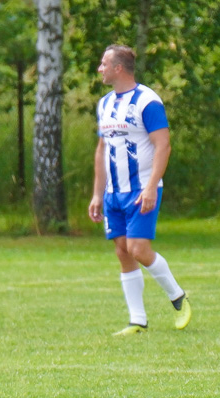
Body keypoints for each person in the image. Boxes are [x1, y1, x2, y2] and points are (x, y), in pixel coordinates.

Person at [89, 44, 191, 336]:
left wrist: (150, 187)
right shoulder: (105, 104)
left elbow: (163, 145)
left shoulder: (147, 101)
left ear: (118, 68)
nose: (100, 69)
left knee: (138, 248)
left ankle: (178, 296)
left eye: (104, 64)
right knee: (123, 252)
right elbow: (101, 150)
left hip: (141, 190)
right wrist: (98, 193)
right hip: (113, 193)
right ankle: (138, 320)